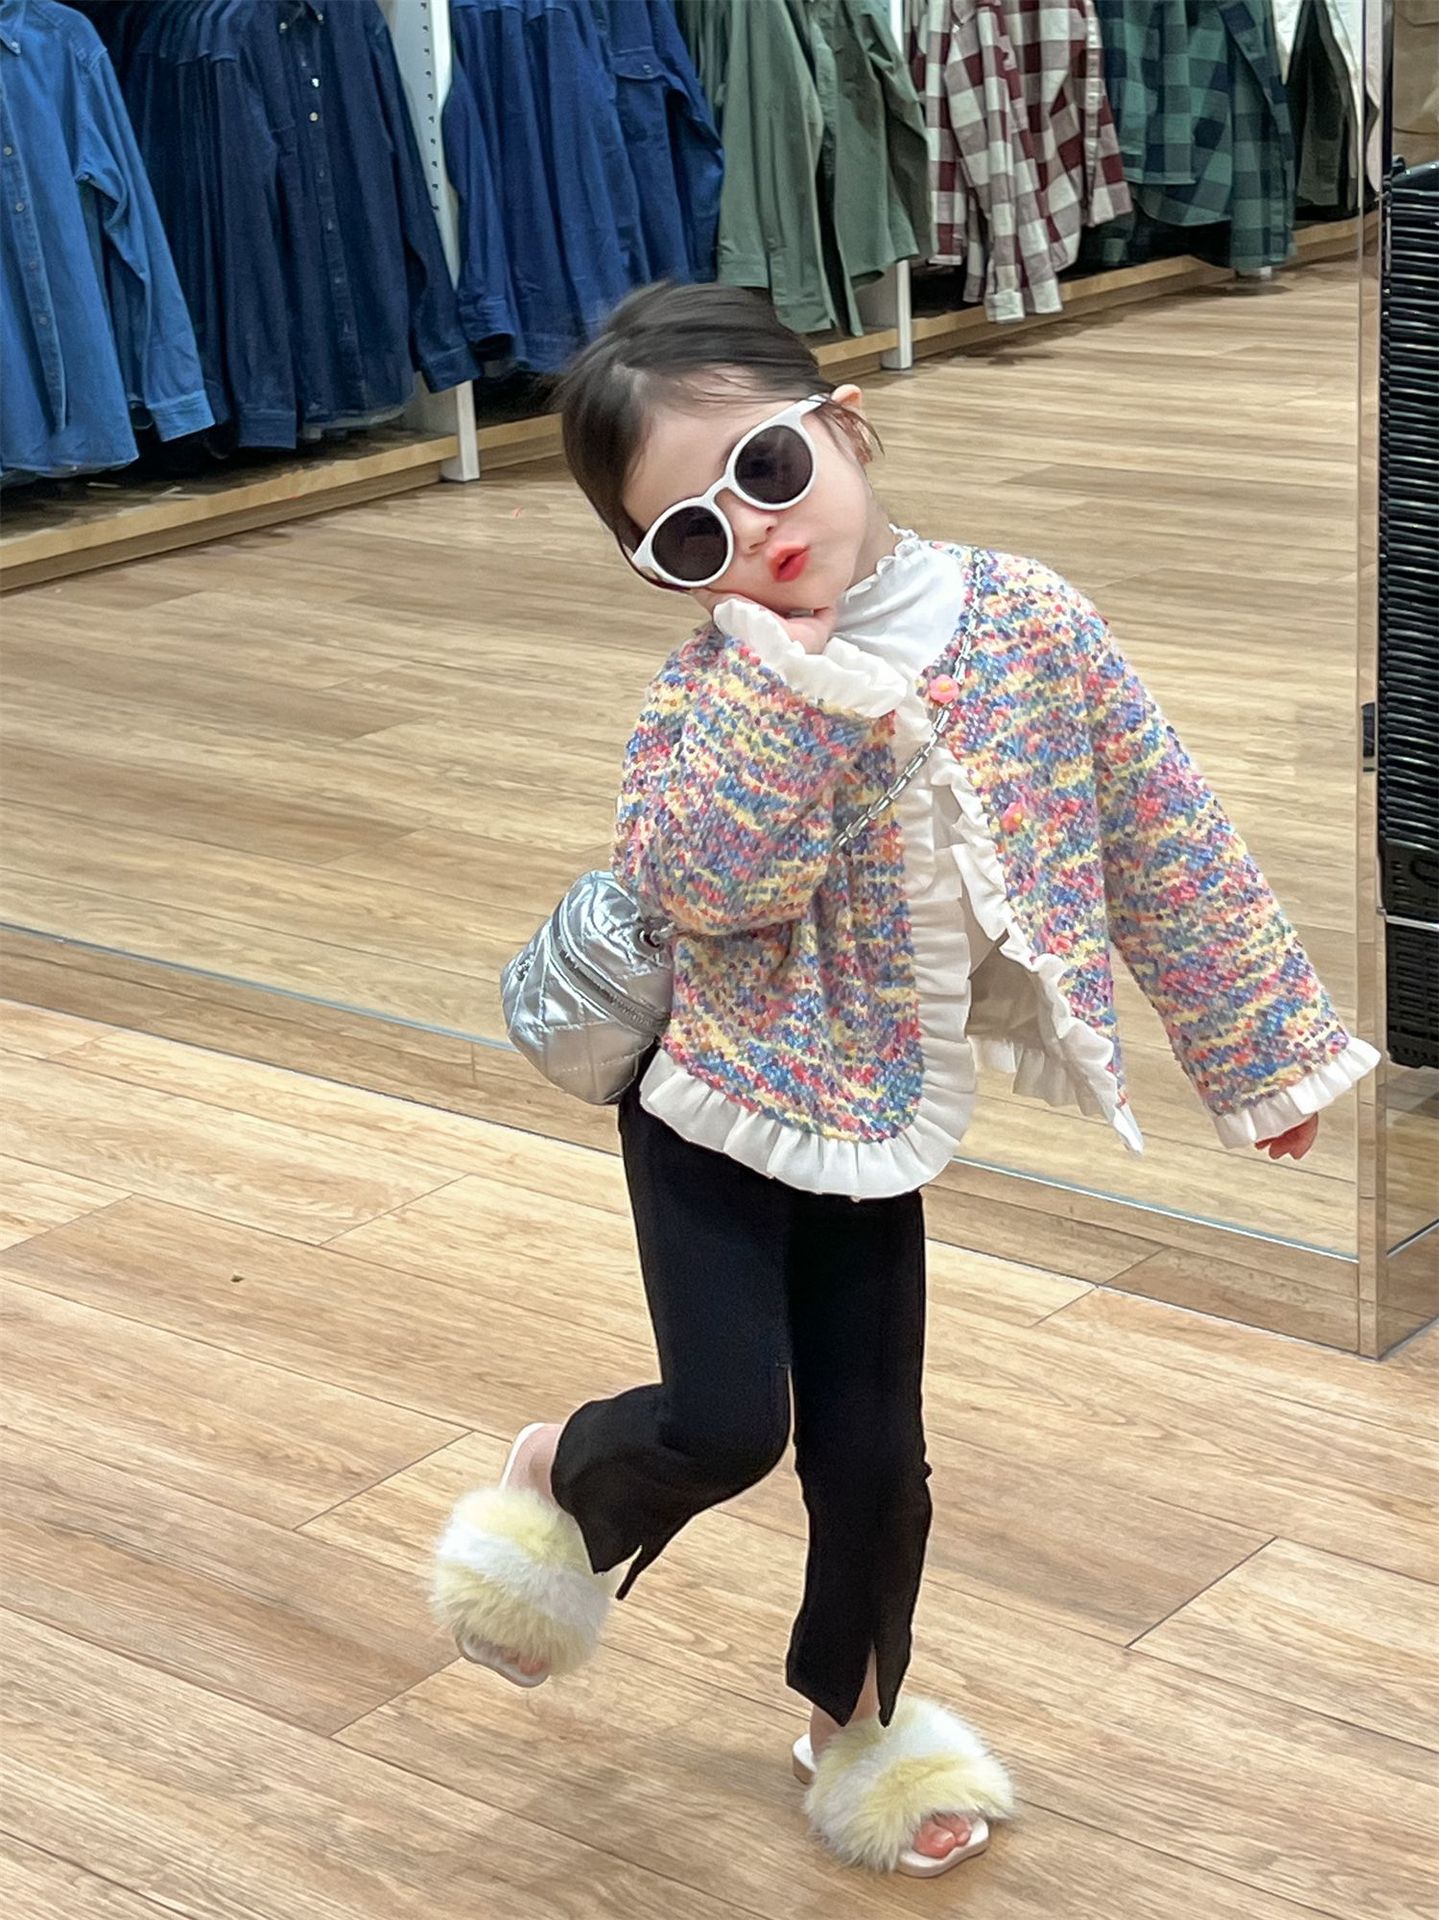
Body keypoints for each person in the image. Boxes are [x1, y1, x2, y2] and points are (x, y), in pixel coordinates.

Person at [431, 283, 1378, 1879]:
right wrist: (791, 698)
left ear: (849, 428)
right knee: (726, 1424)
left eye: (768, 468)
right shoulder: (711, 694)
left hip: (876, 1122)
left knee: (877, 1462)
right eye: (692, 534)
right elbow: (702, 886)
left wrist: (1260, 1047)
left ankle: (854, 1725)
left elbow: (1162, 834)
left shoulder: (1025, 619)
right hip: (712, 1102)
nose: (754, 530)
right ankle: (561, 1475)